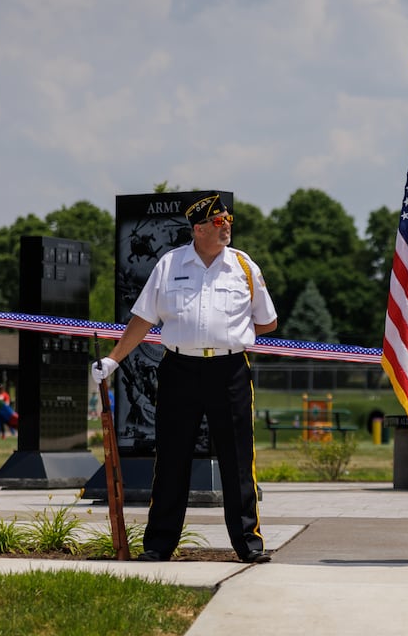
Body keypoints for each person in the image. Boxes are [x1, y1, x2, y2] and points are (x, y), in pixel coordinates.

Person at [91, 194, 278, 564]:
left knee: (238, 460)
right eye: (219, 222)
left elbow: (268, 320)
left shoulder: (243, 266)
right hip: (179, 369)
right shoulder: (170, 263)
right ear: (199, 228)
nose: (227, 227)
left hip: (230, 371)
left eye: (228, 220)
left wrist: (231, 333)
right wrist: (113, 360)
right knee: (172, 459)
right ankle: (159, 545)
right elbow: (144, 318)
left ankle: (248, 544)